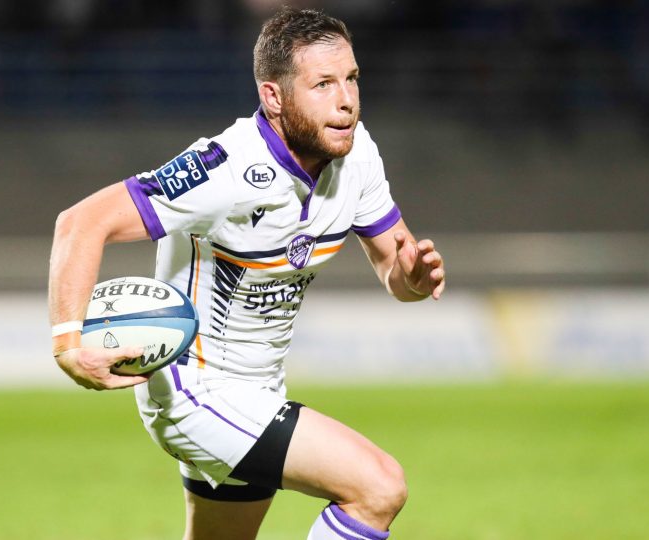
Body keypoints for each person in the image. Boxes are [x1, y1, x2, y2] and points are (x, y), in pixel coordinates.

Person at [48, 7, 445, 539]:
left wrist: (413, 280)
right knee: (379, 487)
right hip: (195, 393)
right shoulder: (223, 168)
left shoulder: (359, 155)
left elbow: (395, 273)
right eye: (322, 84)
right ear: (274, 97)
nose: (346, 100)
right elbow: (80, 222)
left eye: (351, 79)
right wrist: (68, 345)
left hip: (261, 392)